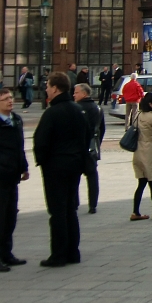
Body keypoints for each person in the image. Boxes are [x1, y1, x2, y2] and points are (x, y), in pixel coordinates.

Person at [33, 73, 89, 267]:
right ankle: (73, 252)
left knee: (57, 211)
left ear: (55, 89)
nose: (46, 89)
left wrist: (42, 161)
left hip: (55, 166)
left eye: (48, 86)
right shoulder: (78, 110)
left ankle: (58, 254)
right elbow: (86, 137)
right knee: (70, 209)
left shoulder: (52, 113)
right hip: (75, 164)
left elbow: (41, 141)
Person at [0, 87, 30, 270]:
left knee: (10, 216)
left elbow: (20, 147)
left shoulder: (16, 120)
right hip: (1, 174)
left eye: (10, 97)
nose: (10, 101)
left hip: (13, 175)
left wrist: (24, 167)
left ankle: (7, 253)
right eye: (5, 99)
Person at [131, 92, 152, 221]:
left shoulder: (138, 114)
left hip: (138, 149)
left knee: (141, 182)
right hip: (149, 149)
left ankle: (135, 211)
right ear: (151, 104)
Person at [74, 83, 104, 214]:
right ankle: (93, 204)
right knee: (92, 176)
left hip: (77, 147)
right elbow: (102, 128)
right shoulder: (98, 108)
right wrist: (97, 143)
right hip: (92, 147)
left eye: (76, 92)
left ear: (84, 94)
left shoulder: (76, 108)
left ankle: (75, 203)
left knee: (74, 177)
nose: (74, 95)